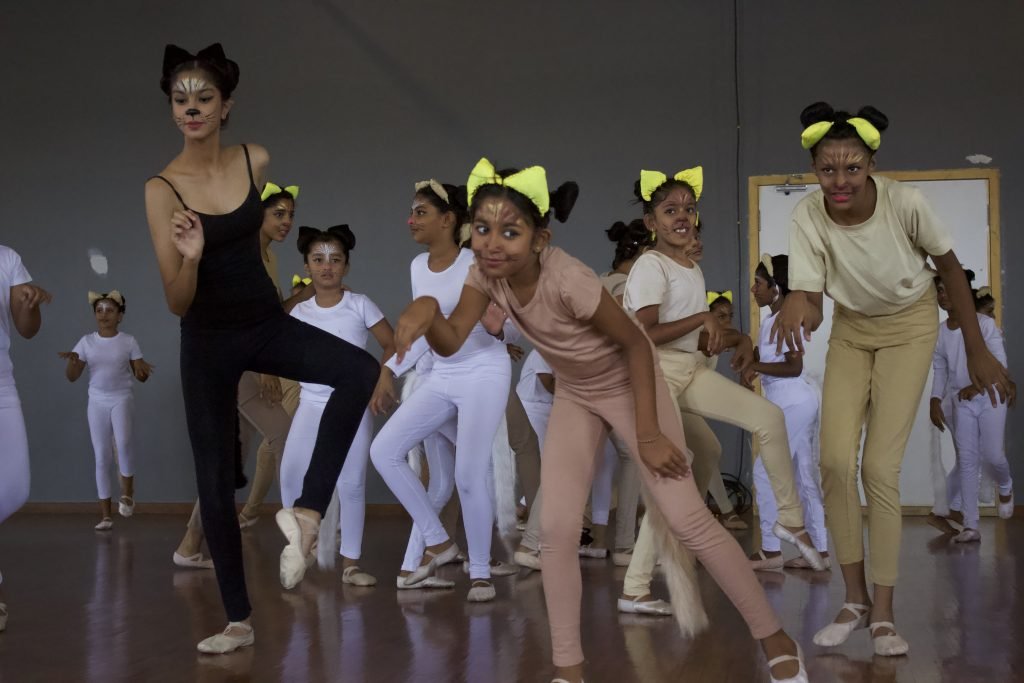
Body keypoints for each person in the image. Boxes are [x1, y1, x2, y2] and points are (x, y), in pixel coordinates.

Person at [392, 157, 808, 683]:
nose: (492, 243)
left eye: (510, 232)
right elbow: (452, 341)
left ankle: (775, 637)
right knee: (556, 531)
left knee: (687, 519)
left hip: (631, 384)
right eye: (482, 229)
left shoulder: (568, 278)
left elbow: (636, 343)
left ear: (540, 239)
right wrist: (429, 312)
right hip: (576, 393)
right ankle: (569, 669)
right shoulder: (484, 273)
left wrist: (649, 435)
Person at [144, 43, 377, 654]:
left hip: (265, 323)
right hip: (206, 341)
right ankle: (238, 621)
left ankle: (308, 513)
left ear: (225, 106)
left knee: (358, 369)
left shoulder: (255, 160)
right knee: (215, 478)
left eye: (204, 98)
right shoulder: (162, 188)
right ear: (172, 109)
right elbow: (176, 301)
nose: (192, 108)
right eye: (181, 100)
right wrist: (192, 257)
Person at [774, 101, 1011, 656]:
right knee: (835, 461)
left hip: (910, 325)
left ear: (872, 165)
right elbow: (813, 299)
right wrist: (799, 307)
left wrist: (975, 347)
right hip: (852, 329)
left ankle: (883, 613)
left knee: (880, 466)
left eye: (852, 167)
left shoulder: (905, 203)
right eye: (827, 169)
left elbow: (949, 270)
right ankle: (853, 600)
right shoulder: (808, 215)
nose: (840, 180)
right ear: (813, 168)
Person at [60, 291, 152, 530]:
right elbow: (72, 377)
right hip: (97, 402)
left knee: (124, 443)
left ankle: (128, 494)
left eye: (110, 310)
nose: (104, 314)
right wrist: (72, 363)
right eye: (99, 310)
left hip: (122, 398)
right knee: (102, 455)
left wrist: (143, 371)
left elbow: (141, 376)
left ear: (120, 316)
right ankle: (105, 516)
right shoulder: (86, 342)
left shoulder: (128, 341)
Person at [0, 245, 51, 632]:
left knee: (15, 488)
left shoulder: (6, 259)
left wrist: (30, 304)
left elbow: (27, 329)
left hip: (1, 383)